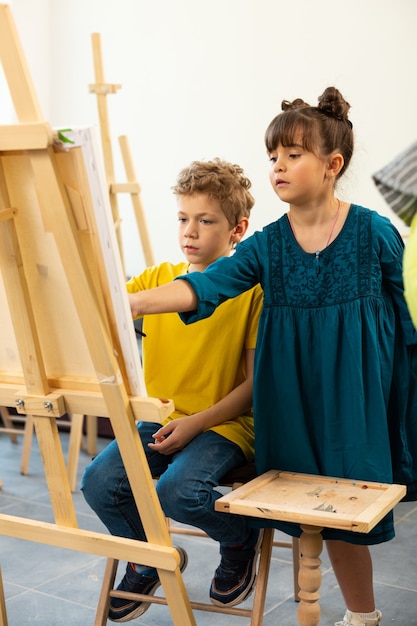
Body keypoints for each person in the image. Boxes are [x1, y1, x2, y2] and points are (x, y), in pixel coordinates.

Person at [127, 87, 417, 626]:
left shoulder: (375, 234)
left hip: (355, 400)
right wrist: (133, 303)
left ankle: (363, 615)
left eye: (293, 155)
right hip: (291, 403)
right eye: (272, 156)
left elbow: (408, 323)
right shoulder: (267, 244)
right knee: (309, 515)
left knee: (347, 514)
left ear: (333, 165)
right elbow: (204, 287)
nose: (278, 166)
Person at [81, 158, 264, 622]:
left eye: (206, 221)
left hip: (224, 423)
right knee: (99, 483)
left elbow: (253, 387)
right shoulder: (152, 282)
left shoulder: (253, 293)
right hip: (160, 418)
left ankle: (239, 536)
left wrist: (197, 424)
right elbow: (101, 305)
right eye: (184, 218)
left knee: (179, 491)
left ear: (237, 228)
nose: (191, 231)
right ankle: (148, 558)